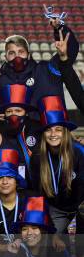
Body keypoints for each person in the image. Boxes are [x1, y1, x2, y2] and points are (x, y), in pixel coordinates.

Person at [0, 17, 79, 109]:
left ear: (29, 55)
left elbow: (70, 51)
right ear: (6, 58)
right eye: (12, 53)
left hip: (51, 123)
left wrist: (59, 28)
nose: (17, 57)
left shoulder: (46, 70)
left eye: (21, 52)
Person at [31, 96, 84, 234]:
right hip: (55, 210)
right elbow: (37, 191)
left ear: (65, 132)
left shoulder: (79, 152)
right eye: (48, 130)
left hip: (80, 207)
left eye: (58, 129)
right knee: (51, 243)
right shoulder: (37, 157)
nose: (53, 134)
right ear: (43, 133)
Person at [0, 84, 42, 186]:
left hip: (38, 187)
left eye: (18, 111)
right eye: (9, 111)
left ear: (26, 113)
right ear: (4, 115)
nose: (13, 115)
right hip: (10, 189)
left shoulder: (38, 128)